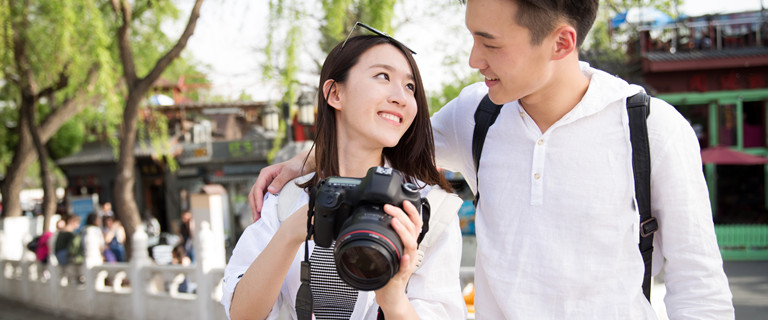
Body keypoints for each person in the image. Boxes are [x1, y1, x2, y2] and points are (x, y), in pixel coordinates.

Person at [248, 0, 735, 318]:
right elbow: (381, 133)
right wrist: (303, 162)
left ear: (561, 43)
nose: (473, 59)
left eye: (490, 43)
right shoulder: (476, 114)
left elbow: (700, 289)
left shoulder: (650, 129)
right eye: (473, 37)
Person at [222, 29, 465, 320]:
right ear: (335, 93)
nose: (401, 97)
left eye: (410, 87)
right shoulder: (288, 199)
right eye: (383, 77)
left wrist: (393, 298)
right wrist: (291, 234)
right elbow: (241, 315)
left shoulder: (429, 210)